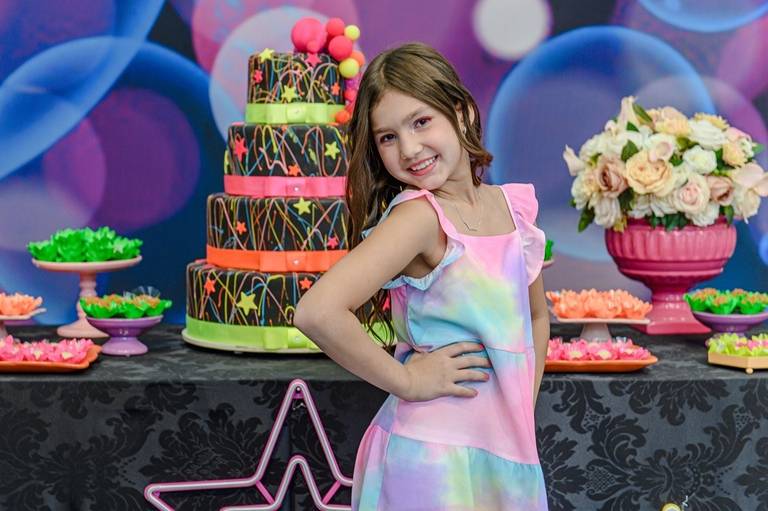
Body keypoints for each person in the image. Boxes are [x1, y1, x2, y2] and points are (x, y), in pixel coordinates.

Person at [294, 42, 550, 510]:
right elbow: (317, 312)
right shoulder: (419, 217)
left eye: (421, 122)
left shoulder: (512, 208)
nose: (409, 149)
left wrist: (519, 408)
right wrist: (407, 382)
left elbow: (535, 316)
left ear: (461, 113)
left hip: (504, 453)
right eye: (387, 137)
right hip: (432, 461)